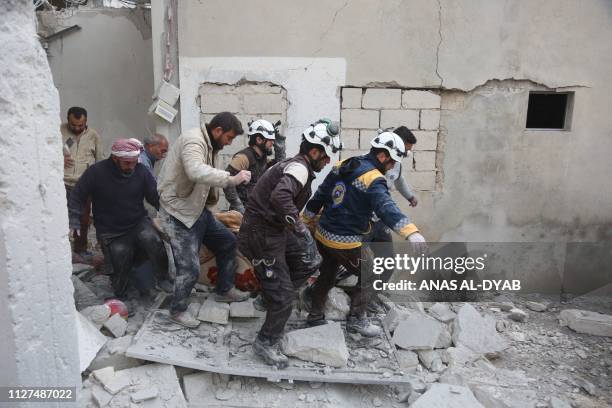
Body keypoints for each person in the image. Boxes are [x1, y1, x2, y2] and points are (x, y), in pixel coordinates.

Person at [237, 119, 342, 369]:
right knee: (284, 296)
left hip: (274, 229)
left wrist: (298, 231)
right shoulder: (299, 169)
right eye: (326, 156)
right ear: (315, 151)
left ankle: (266, 296)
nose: (328, 162)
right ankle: (266, 341)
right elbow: (280, 197)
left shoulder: (298, 165)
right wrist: (300, 228)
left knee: (311, 259)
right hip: (260, 234)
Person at [302, 131, 427, 337]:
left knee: (327, 274)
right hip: (345, 240)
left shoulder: (344, 164)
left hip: (323, 234)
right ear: (382, 156)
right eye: (392, 161)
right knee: (371, 272)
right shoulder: (374, 178)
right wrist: (410, 232)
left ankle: (315, 317)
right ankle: (357, 320)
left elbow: (321, 193)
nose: (393, 167)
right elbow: (386, 206)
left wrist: (305, 219)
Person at [157, 112, 252, 328]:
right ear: (217, 130)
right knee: (189, 267)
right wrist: (231, 179)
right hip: (177, 211)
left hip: (197, 210)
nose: (228, 143)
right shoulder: (194, 141)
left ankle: (223, 289)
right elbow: (195, 171)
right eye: (228, 138)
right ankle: (177, 310)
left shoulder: (211, 145)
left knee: (227, 241)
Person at [68, 138, 169, 299]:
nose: (132, 167)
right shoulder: (95, 172)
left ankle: (163, 278)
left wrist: (169, 216)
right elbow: (77, 195)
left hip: (137, 222)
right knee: (121, 257)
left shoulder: (141, 171)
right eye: (127, 163)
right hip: (110, 229)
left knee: (153, 240)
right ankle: (122, 293)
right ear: (115, 159)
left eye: (134, 162)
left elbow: (155, 198)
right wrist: (74, 219)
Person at [364, 126, 418, 287]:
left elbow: (398, 180)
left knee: (387, 262)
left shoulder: (396, 165)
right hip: (363, 220)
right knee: (360, 263)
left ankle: (370, 297)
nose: (403, 157)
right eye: (403, 152)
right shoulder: (365, 165)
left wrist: (410, 196)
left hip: (381, 220)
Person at [62, 106, 104, 256]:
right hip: (62, 183)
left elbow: (100, 161)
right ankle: (61, 251)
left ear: (86, 121)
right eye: (73, 124)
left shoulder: (94, 136)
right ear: (68, 120)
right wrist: (58, 159)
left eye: (81, 125)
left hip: (84, 185)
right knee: (60, 218)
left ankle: (80, 250)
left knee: (83, 219)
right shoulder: (57, 132)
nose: (77, 128)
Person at [223, 119, 285, 213]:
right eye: (270, 140)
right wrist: (239, 208)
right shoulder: (243, 158)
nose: (273, 143)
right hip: (244, 211)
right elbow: (227, 182)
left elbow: (279, 171)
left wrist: (280, 150)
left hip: (257, 210)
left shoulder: (262, 157)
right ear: (259, 140)